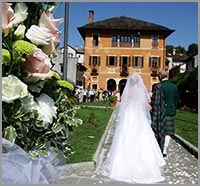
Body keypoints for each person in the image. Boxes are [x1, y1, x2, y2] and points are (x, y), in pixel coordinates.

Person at [100, 73, 166, 184]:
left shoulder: (128, 91)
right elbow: (147, 105)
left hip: (129, 115)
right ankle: (146, 162)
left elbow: (123, 104)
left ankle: (121, 164)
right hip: (139, 116)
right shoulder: (141, 91)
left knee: (126, 136)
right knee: (143, 138)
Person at [151, 70, 179, 157]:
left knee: (159, 130)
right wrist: (174, 109)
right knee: (168, 132)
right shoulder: (174, 86)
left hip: (160, 112)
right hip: (170, 111)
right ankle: (164, 150)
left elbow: (154, 100)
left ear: (159, 76)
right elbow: (176, 100)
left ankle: (159, 148)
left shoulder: (158, 86)